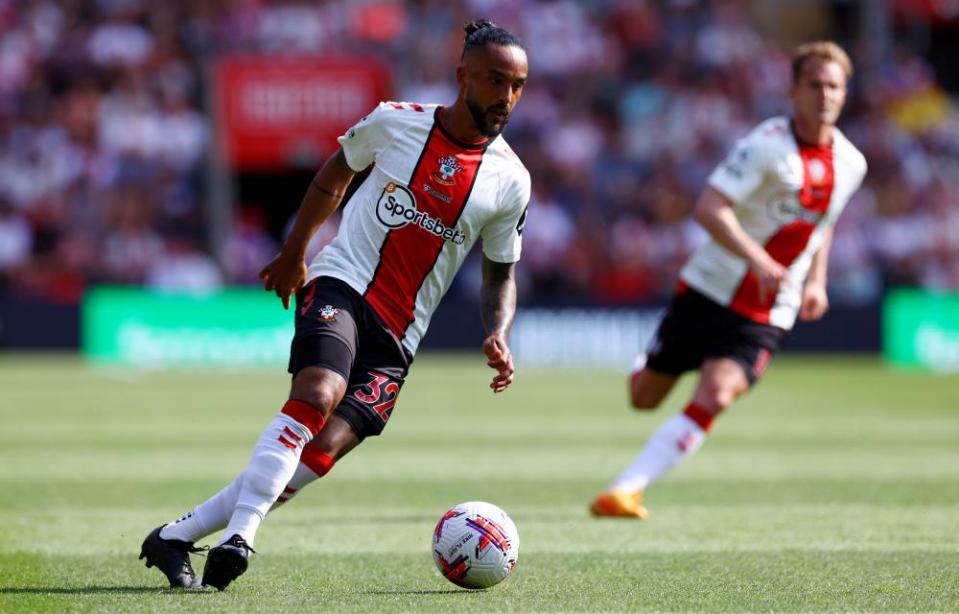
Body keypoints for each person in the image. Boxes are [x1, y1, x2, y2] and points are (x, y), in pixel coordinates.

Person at [139, 19, 530, 589]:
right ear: (463, 76)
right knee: (318, 392)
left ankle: (174, 537)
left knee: (320, 451)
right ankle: (241, 534)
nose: (507, 97)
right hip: (342, 282)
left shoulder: (511, 180)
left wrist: (498, 329)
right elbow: (336, 173)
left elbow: (501, 271)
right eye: (496, 81)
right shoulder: (396, 121)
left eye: (518, 85)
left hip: (402, 336)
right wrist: (296, 252)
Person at [590, 41, 867, 519]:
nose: (825, 95)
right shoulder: (765, 145)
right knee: (644, 398)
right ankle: (646, 363)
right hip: (710, 286)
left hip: (769, 307)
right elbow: (709, 208)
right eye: (815, 85)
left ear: (845, 94)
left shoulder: (852, 163)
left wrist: (816, 282)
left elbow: (824, 223)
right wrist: (757, 257)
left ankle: (625, 490)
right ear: (794, 90)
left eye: (834, 86)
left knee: (716, 394)